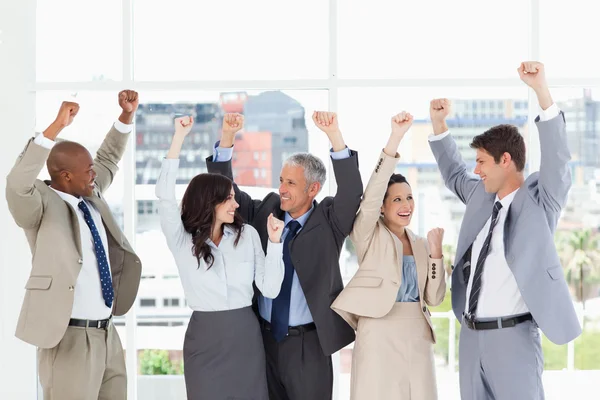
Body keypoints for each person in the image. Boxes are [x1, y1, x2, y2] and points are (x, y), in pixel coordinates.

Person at [429, 62, 581, 400]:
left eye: (482, 161)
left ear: (506, 160)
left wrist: (541, 90)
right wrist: (439, 126)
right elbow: (455, 174)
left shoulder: (540, 202)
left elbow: (557, 161)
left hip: (513, 338)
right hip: (470, 337)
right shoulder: (480, 198)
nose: (476, 169)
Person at [206, 111, 363, 399]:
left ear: (313, 189)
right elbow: (223, 192)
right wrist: (227, 139)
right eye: (281, 180)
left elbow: (352, 192)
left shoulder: (330, 220)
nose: (282, 189)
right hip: (263, 341)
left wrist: (334, 135)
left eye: (290, 183)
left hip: (309, 346)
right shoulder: (266, 209)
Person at [6, 91, 143, 400]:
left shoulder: (91, 194)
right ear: (65, 176)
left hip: (107, 335)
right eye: (87, 171)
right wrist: (55, 127)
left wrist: (125, 117)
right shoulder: (39, 205)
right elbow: (17, 182)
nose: (94, 174)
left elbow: (107, 158)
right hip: (68, 339)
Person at [156, 116, 286, 400]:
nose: (236, 203)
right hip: (204, 340)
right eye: (228, 198)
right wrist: (178, 138)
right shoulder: (182, 239)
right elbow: (164, 197)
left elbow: (271, 289)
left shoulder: (248, 234)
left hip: (244, 339)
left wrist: (275, 243)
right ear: (209, 201)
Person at [332, 111, 446, 400]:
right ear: (382, 207)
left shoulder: (420, 243)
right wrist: (395, 138)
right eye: (397, 199)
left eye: (409, 198)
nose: (406, 204)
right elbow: (370, 195)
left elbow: (434, 298)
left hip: (417, 335)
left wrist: (436, 256)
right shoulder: (368, 234)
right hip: (378, 332)